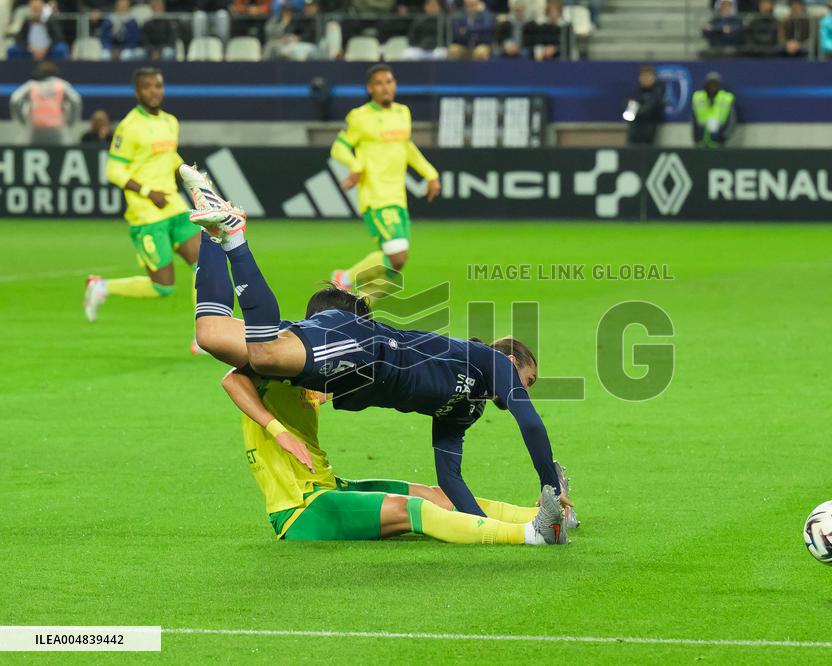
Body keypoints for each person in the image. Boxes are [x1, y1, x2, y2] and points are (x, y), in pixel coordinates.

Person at [182, 167, 572, 519]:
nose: (524, 388)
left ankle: (213, 231)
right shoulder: (490, 361)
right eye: (528, 378)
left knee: (211, 334)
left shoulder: (465, 408)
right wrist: (549, 483)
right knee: (265, 354)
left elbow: (449, 479)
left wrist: (479, 526)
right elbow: (531, 424)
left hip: (349, 362)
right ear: (509, 357)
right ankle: (235, 237)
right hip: (367, 350)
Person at [83, 68, 204, 357]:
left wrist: (190, 176)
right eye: (147, 87)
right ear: (138, 93)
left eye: (158, 86)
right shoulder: (129, 126)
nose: (154, 91)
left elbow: (169, 156)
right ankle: (102, 287)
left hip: (173, 206)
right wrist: (149, 192)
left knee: (205, 266)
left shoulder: (170, 122)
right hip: (146, 214)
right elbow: (114, 170)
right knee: (162, 287)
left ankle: (204, 337)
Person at [330, 65, 440, 298]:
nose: (386, 87)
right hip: (376, 196)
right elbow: (338, 147)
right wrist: (356, 166)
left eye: (389, 81)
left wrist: (430, 173)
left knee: (395, 265)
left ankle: (361, 307)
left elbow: (407, 147)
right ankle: (345, 278)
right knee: (397, 256)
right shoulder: (360, 117)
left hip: (398, 197)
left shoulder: (403, 113)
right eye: (379, 83)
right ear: (370, 89)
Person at [8, 62, 81, 145]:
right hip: (57, 129)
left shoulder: (32, 84)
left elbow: (15, 99)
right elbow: (76, 100)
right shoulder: (62, 85)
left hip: (35, 128)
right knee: (59, 155)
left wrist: (23, 121)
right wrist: (70, 122)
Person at [691, 71, 735, 149]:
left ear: (719, 86)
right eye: (710, 85)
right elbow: (693, 120)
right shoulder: (698, 98)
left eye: (715, 85)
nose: (712, 87)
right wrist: (695, 137)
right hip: (701, 141)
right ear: (706, 86)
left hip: (718, 142)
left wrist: (724, 137)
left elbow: (732, 121)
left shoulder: (726, 99)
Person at [624, 64, 665, 146]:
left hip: (649, 135)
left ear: (653, 78)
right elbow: (627, 110)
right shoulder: (636, 93)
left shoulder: (657, 93)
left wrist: (637, 110)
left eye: (648, 77)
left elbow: (649, 110)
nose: (645, 79)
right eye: (643, 76)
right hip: (634, 134)